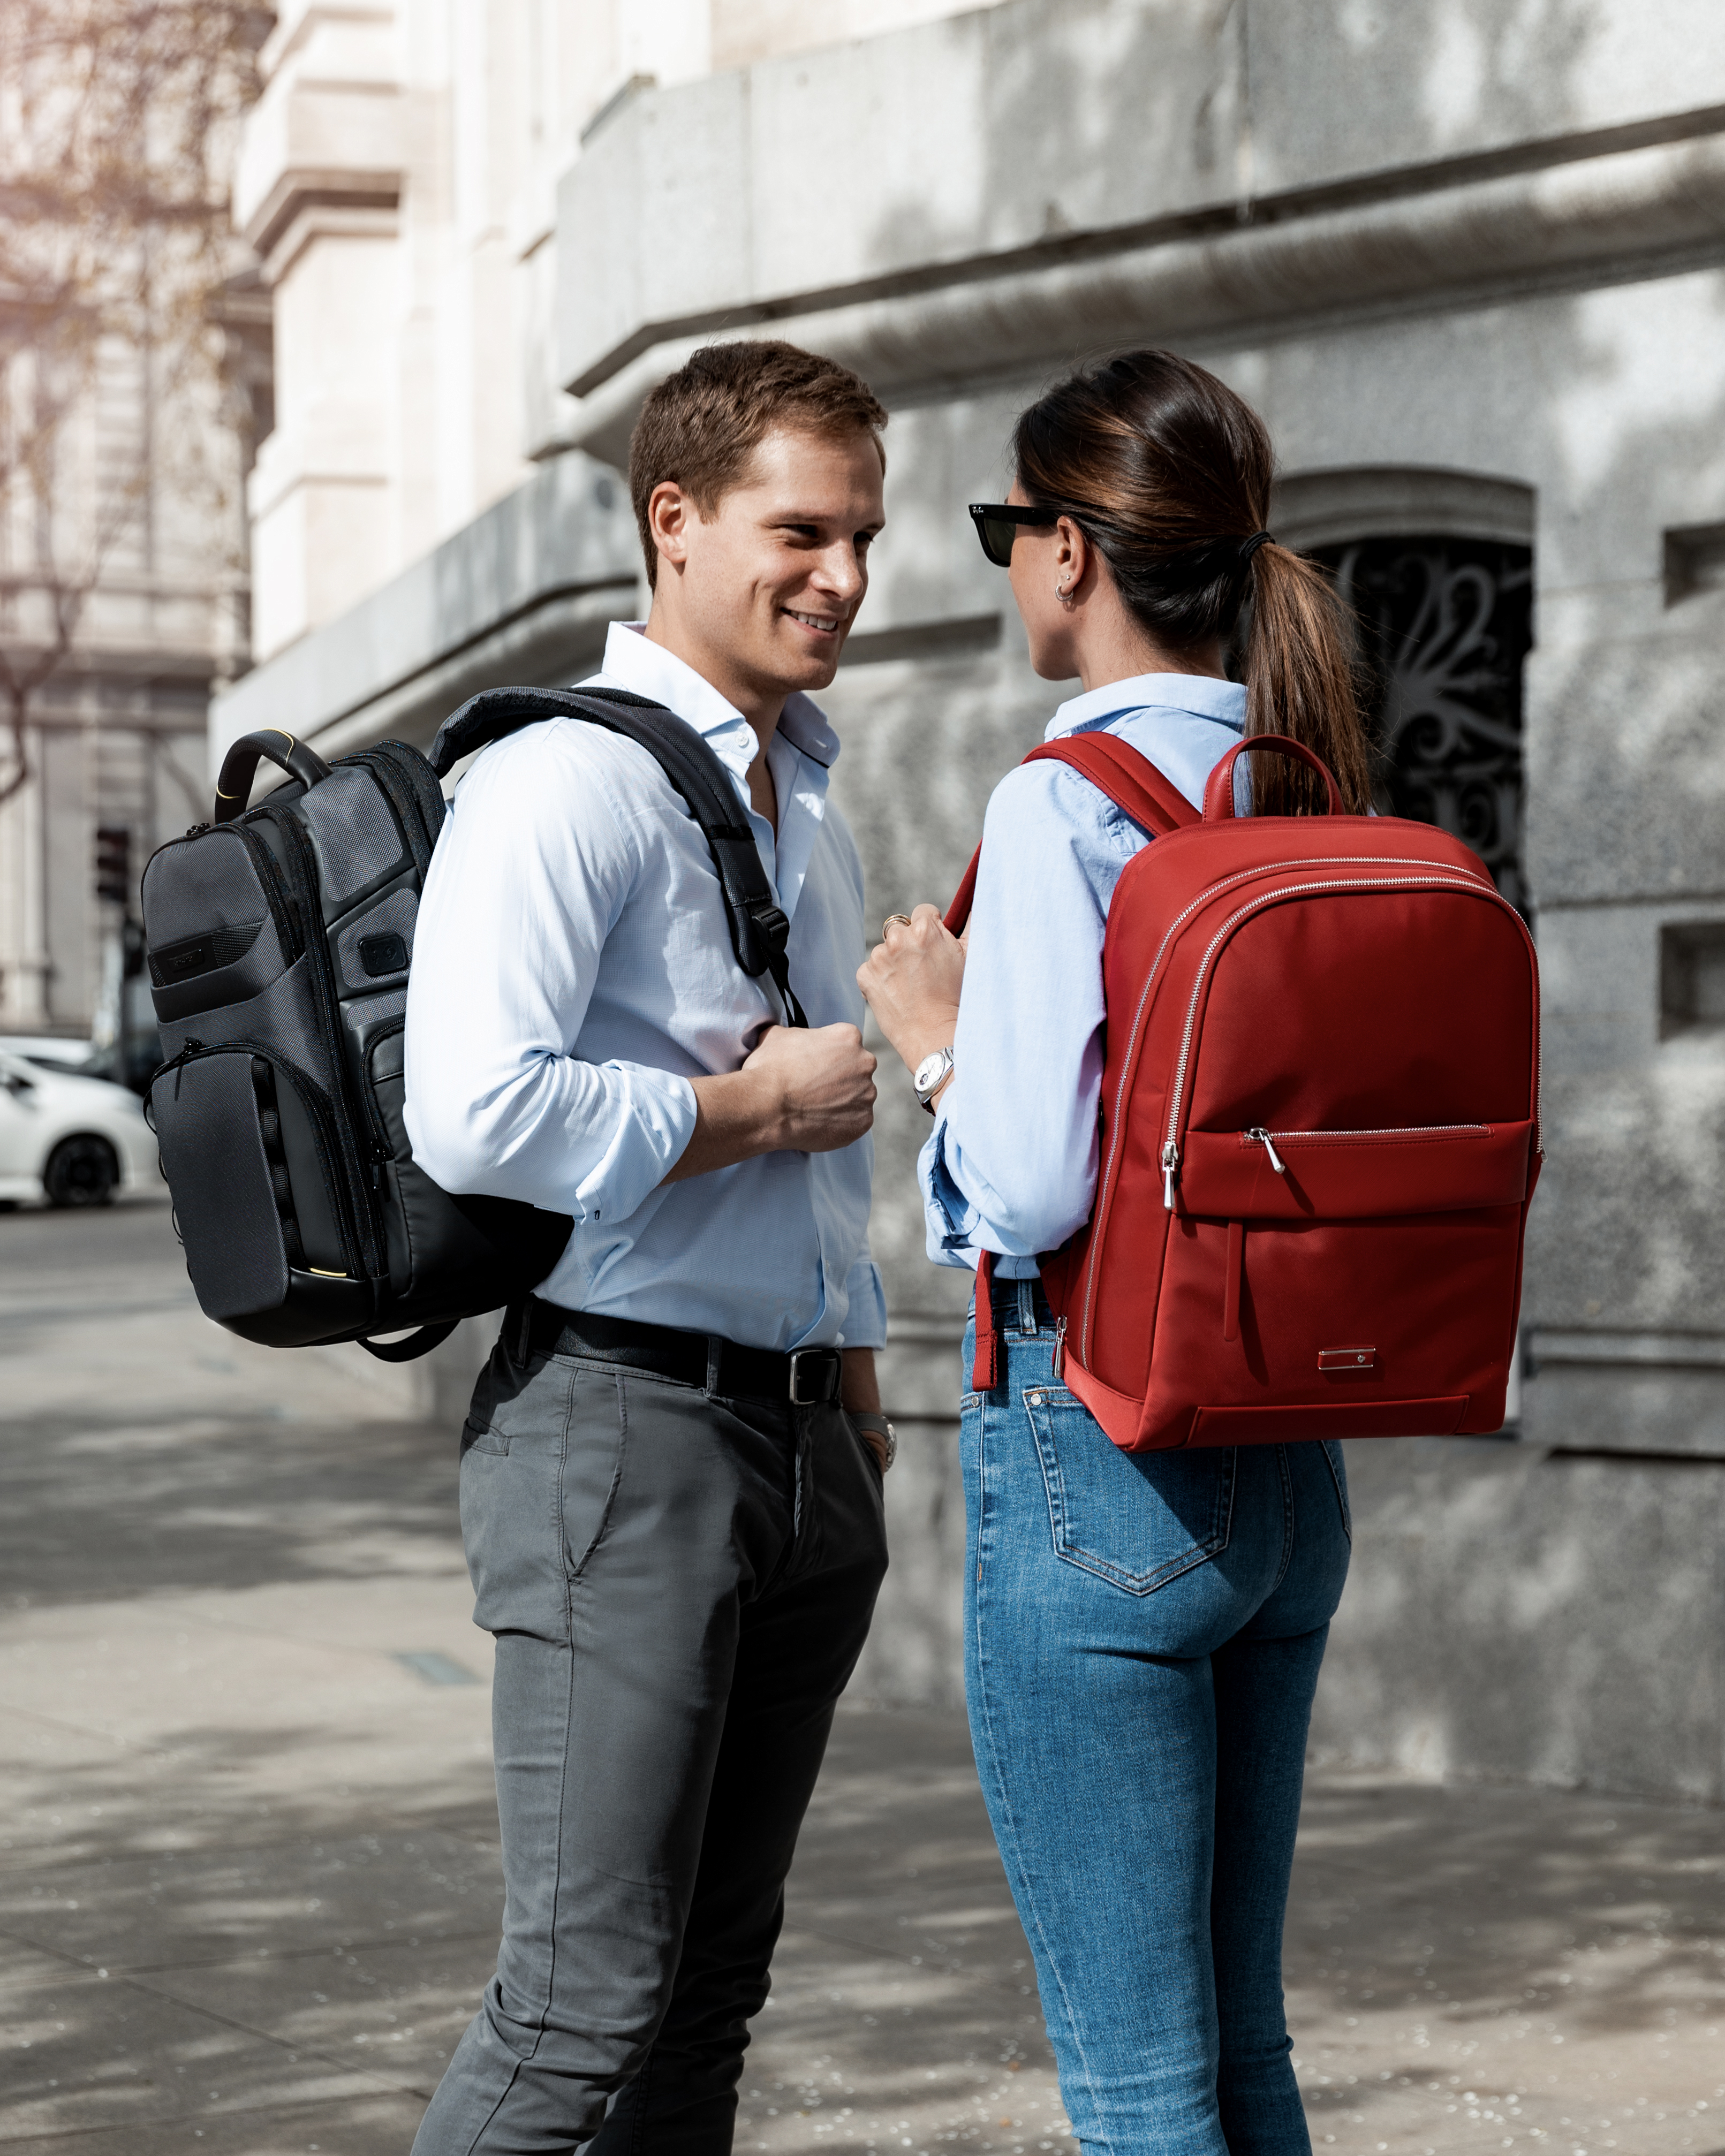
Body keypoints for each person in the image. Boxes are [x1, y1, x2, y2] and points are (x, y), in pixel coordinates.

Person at [857, 350, 1367, 2156]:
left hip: (1102, 1463)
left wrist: (932, 1028)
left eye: (1010, 528)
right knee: (1242, 2053)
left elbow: (1033, 1182)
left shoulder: (1060, 804)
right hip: (1290, 1465)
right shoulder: (1301, 779)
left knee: (1144, 2090)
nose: (1007, 566)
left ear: (1070, 552)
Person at [404, 339, 897, 2156]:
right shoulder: (564, 786)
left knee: (706, 1998)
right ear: (671, 521)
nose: (841, 575)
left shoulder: (805, 799)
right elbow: (473, 1112)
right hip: (620, 1430)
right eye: (801, 529)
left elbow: (826, 1144)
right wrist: (739, 1111)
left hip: (792, 1443)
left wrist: (852, 1386)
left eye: (863, 534)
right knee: (577, 2006)